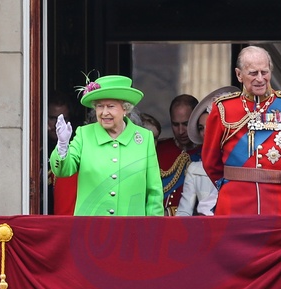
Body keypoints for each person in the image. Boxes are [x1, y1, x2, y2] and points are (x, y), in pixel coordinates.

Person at [202, 46, 281, 215]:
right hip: (234, 202)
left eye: (265, 72)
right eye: (253, 73)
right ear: (239, 75)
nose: (260, 79)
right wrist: (234, 183)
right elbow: (211, 162)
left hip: (278, 202)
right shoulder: (223, 108)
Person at [50, 75, 164, 216]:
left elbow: (154, 192)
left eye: (111, 106)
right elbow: (64, 170)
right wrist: (62, 145)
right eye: (100, 106)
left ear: (125, 109)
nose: (104, 113)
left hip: (132, 227)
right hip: (90, 227)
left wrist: (153, 226)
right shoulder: (84, 134)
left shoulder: (144, 139)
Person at [176, 86, 239, 216]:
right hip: (207, 226)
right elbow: (183, 213)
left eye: (210, 126)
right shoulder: (195, 169)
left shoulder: (246, 163)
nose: (205, 132)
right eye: (201, 128)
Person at [157, 94, 199, 215]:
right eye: (175, 125)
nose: (181, 131)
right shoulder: (159, 149)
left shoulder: (206, 153)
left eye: (186, 124)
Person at [47, 91, 78, 215]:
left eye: (63, 119)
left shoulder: (76, 148)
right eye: (52, 118)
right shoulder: (34, 146)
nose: (57, 124)